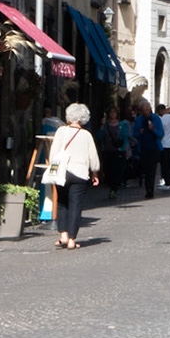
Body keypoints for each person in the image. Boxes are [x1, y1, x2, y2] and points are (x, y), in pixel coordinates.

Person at [44, 104, 102, 248]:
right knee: (76, 205)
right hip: (80, 173)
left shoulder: (61, 131)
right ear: (84, 119)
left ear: (68, 116)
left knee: (62, 202)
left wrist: (53, 166)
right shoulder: (86, 135)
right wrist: (94, 173)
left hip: (63, 172)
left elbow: (54, 153)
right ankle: (71, 239)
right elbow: (93, 158)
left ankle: (63, 234)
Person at [133, 98, 162, 200]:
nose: (146, 112)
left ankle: (150, 190)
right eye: (144, 110)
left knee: (152, 170)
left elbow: (161, 134)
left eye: (147, 110)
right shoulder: (139, 120)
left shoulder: (156, 119)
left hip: (154, 148)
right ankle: (147, 187)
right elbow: (134, 134)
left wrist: (153, 129)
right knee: (145, 170)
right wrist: (139, 133)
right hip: (143, 148)